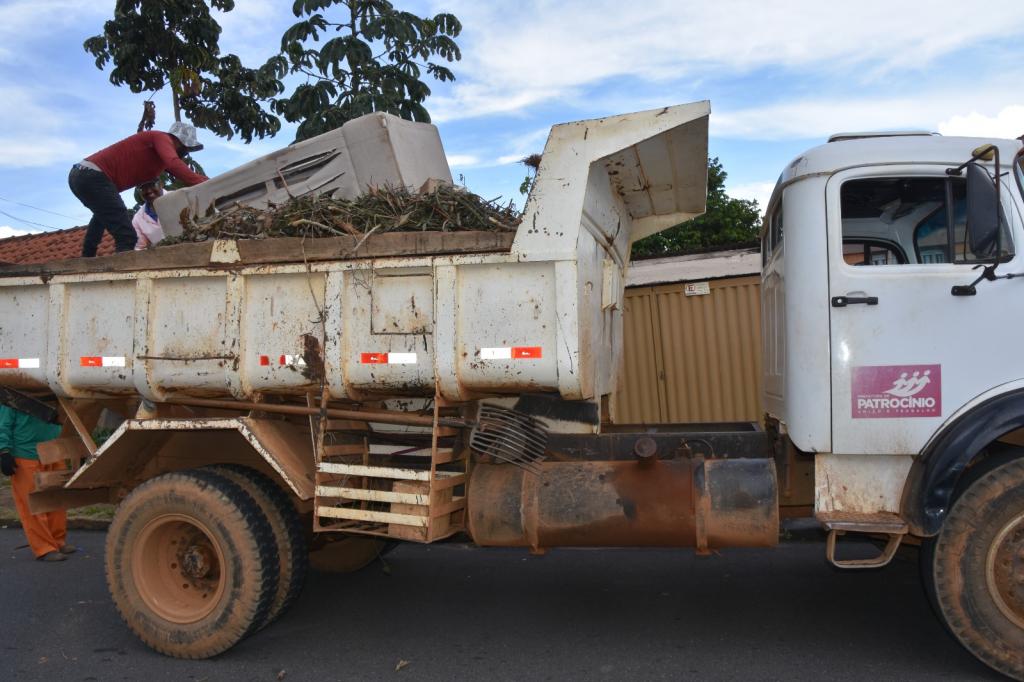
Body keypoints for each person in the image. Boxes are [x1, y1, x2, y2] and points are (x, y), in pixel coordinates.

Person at [69, 122, 209, 257]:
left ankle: (87, 257)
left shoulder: (158, 161)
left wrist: (205, 181)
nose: (186, 152)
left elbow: (179, 172)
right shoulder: (161, 138)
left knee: (102, 216)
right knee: (127, 236)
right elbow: (173, 163)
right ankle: (122, 275)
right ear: (178, 140)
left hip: (81, 176)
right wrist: (207, 186)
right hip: (91, 175)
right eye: (186, 148)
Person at [0, 404, 70, 562]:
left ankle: (58, 541)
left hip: (52, 450)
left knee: (57, 500)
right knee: (33, 504)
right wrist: (4, 451)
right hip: (25, 455)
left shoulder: (46, 392)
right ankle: (45, 548)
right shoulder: (12, 396)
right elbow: (3, 424)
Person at [132, 180, 165, 249]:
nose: (148, 191)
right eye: (143, 188)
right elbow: (140, 249)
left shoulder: (179, 198)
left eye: (152, 185)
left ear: (161, 184)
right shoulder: (137, 219)